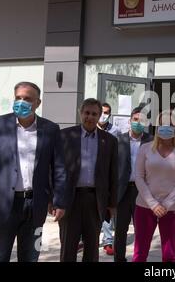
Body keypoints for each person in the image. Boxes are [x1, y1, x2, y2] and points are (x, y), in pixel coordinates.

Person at [0, 81, 66, 262]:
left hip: (35, 206)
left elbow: (59, 167)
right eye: (18, 98)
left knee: (31, 256)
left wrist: (59, 201)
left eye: (27, 99)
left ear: (38, 103)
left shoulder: (51, 129)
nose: (21, 102)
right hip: (2, 205)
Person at [59, 98, 118, 262]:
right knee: (68, 247)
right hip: (70, 200)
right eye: (87, 113)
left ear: (100, 116)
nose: (90, 117)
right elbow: (54, 170)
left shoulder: (110, 140)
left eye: (94, 114)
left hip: (95, 201)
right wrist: (54, 200)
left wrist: (112, 203)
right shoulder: (65, 135)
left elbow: (113, 173)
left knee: (92, 249)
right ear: (80, 113)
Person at [133, 110, 175, 262]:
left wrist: (166, 204)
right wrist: (153, 204)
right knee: (140, 254)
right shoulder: (145, 148)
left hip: (172, 209)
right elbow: (138, 177)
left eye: (170, 124)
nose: (166, 127)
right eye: (162, 123)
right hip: (145, 206)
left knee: (169, 255)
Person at [113, 106, 153, 262]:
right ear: (130, 121)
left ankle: (139, 258)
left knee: (142, 231)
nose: (138, 122)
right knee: (120, 231)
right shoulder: (118, 140)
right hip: (122, 191)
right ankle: (119, 259)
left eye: (141, 120)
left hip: (142, 191)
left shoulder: (151, 141)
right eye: (135, 119)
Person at [97, 102, 120, 255]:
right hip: (90, 177)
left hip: (107, 175)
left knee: (106, 209)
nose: (104, 115)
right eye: (102, 112)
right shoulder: (87, 128)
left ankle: (108, 240)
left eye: (107, 112)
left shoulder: (115, 131)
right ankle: (83, 239)